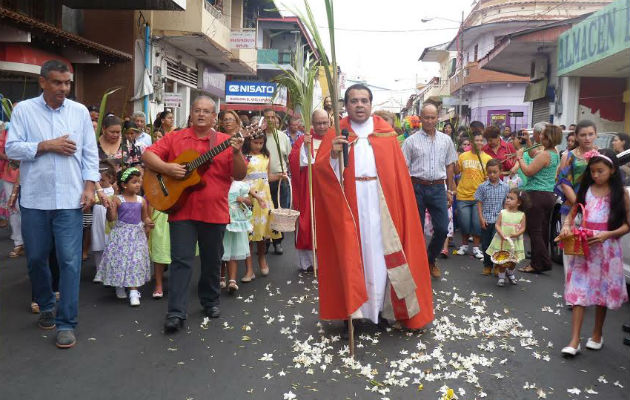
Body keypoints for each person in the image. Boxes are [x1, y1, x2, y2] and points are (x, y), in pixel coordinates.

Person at [314, 84, 434, 330]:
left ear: (370, 104)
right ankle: (356, 310)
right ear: (346, 106)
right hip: (350, 202)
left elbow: (396, 176)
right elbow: (322, 173)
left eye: (364, 101)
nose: (359, 105)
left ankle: (381, 308)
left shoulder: (386, 134)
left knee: (381, 255)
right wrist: (334, 156)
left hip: (382, 204)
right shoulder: (338, 132)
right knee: (355, 253)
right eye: (354, 101)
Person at [6, 59, 100, 348]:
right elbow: (11, 148)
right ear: (43, 82)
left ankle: (66, 323)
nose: (63, 88)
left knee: (70, 261)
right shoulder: (24, 110)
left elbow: (89, 153)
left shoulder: (79, 112)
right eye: (58, 82)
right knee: (35, 259)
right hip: (35, 200)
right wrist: (47, 145)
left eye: (67, 83)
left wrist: (89, 186)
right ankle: (46, 304)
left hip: (70, 200)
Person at [142, 96, 246, 333]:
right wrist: (167, 168)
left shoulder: (224, 141)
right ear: (190, 113)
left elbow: (239, 175)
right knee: (181, 261)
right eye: (197, 110)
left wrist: (238, 153)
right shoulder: (176, 137)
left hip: (214, 211)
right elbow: (148, 155)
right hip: (182, 209)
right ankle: (176, 312)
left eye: (206, 111)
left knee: (212, 260)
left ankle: (210, 301)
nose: (201, 114)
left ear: (214, 117)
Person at [556, 148, 629, 356]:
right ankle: (574, 340)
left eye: (600, 171)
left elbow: (627, 225)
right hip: (584, 247)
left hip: (607, 249)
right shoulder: (586, 190)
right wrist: (567, 226)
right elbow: (572, 213)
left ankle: (597, 334)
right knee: (578, 291)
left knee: (601, 293)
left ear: (612, 171)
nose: (595, 175)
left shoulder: (621, 194)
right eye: (593, 171)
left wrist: (608, 234)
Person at [402, 103, 457, 278]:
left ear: (437, 118)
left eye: (433, 117)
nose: (430, 121)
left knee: (442, 229)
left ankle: (430, 259)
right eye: (426, 117)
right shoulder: (410, 141)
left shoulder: (446, 140)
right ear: (420, 117)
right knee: (416, 230)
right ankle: (416, 264)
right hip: (416, 187)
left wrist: (450, 190)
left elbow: (450, 166)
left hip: (439, 187)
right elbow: (404, 168)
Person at [95, 168, 152, 306]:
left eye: (139, 182)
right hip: (121, 234)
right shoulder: (117, 199)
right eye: (134, 182)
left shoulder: (141, 201)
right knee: (120, 260)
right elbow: (112, 218)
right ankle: (119, 285)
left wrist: (148, 223)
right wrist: (109, 209)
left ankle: (133, 291)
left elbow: (145, 217)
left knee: (134, 262)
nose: (138, 185)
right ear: (124, 185)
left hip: (136, 235)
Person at [556, 120, 598, 283]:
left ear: (596, 135)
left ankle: (587, 290)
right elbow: (564, 182)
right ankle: (572, 294)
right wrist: (579, 205)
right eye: (583, 135)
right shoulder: (569, 155)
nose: (587, 138)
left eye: (590, 134)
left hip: (596, 211)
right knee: (571, 252)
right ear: (576, 137)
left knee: (591, 252)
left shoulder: (601, 155)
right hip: (572, 210)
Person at [516, 124, 561, 273]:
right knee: (542, 231)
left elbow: (528, 171)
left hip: (536, 194)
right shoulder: (554, 152)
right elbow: (535, 155)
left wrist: (519, 158)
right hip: (548, 195)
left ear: (548, 138)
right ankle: (539, 261)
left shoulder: (545, 154)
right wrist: (529, 144)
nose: (540, 136)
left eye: (543, 135)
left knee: (534, 231)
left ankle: (541, 263)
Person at [288, 109, 330, 272]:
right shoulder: (304, 139)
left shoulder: (333, 137)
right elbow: (293, 161)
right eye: (318, 123)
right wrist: (303, 149)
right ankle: (308, 262)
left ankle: (327, 260)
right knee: (307, 223)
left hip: (327, 189)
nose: (321, 126)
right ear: (312, 122)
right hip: (308, 188)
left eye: (324, 123)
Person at [242, 133, 279, 281]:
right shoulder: (244, 157)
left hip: (264, 197)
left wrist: (279, 176)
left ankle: (262, 258)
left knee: (262, 233)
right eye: (255, 143)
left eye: (261, 143)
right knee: (248, 234)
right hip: (249, 196)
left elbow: (267, 176)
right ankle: (249, 269)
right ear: (249, 141)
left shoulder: (266, 156)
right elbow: (241, 178)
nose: (258, 146)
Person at [454, 130, 492, 260]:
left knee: (477, 224)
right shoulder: (463, 156)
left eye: (481, 140)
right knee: (464, 223)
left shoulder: (487, 158)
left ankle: (476, 247)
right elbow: (456, 171)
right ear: (471, 142)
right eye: (477, 140)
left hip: (479, 198)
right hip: (463, 195)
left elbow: (491, 176)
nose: (479, 143)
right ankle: (464, 246)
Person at [222, 180, 265, 293]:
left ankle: (232, 281)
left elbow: (249, 202)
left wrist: (242, 199)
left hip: (236, 221)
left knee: (232, 252)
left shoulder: (240, 185)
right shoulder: (220, 182)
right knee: (221, 250)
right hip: (222, 218)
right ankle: (221, 277)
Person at [263, 108, 291, 255]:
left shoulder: (283, 137)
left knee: (280, 212)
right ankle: (265, 242)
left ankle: (278, 242)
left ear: (278, 120)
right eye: (267, 117)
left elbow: (289, 157)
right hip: (263, 180)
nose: (270, 120)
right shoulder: (259, 136)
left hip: (281, 180)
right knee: (266, 212)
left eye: (273, 117)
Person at [485, 188, 527, 286]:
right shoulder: (503, 212)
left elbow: (523, 228)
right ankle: (501, 277)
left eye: (511, 198)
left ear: (519, 203)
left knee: (513, 261)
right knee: (502, 260)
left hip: (514, 241)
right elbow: (497, 225)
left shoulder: (521, 215)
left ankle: (510, 273)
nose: (507, 200)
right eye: (507, 197)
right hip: (503, 240)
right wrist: (501, 233)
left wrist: (517, 234)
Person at [475, 159, 510, 275]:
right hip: (486, 220)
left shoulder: (505, 187)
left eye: (495, 172)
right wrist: (481, 218)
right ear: (486, 172)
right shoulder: (482, 187)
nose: (492, 175)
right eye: (489, 172)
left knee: (497, 244)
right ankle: (487, 265)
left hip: (498, 221)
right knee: (486, 244)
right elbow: (479, 203)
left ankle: (497, 265)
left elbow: (506, 204)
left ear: (500, 171)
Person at [0, 122, 23, 257]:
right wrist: (9, 157)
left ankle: (32, 242)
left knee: (30, 210)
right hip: (10, 175)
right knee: (13, 208)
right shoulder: (6, 131)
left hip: (31, 176)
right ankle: (18, 242)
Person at [91, 161, 116, 282]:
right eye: (98, 181)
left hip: (108, 221)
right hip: (97, 221)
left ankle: (109, 270)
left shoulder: (113, 191)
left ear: (110, 178)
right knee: (98, 244)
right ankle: (98, 272)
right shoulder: (96, 192)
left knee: (108, 244)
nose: (100, 184)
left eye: (102, 181)